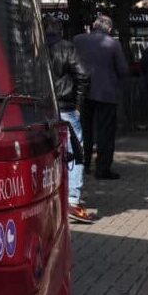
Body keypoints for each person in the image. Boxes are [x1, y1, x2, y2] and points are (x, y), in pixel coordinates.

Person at [45, 31, 96, 224]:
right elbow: (83, 74)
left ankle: (53, 195)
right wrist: (78, 103)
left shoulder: (33, 45)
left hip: (41, 107)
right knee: (75, 152)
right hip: (65, 107)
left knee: (48, 152)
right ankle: (73, 200)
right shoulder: (66, 47)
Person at [73, 13, 129, 180]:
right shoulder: (114, 44)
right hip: (106, 94)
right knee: (105, 132)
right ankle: (102, 168)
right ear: (109, 29)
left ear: (94, 25)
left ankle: (83, 163)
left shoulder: (78, 40)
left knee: (83, 130)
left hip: (83, 93)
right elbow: (123, 70)